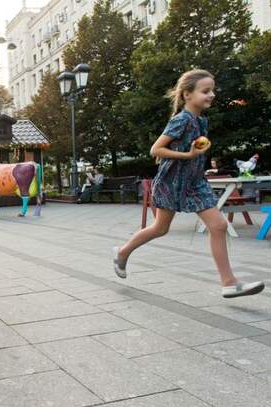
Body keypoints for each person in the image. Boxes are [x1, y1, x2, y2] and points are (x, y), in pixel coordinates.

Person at [112, 69, 264, 299]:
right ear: (187, 95)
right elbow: (156, 150)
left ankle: (229, 283)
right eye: (205, 91)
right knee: (160, 228)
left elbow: (195, 150)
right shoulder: (181, 119)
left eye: (212, 90)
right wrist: (188, 155)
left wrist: (197, 156)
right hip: (171, 182)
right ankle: (122, 252)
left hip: (195, 182)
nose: (211, 94)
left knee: (219, 226)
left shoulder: (201, 120)